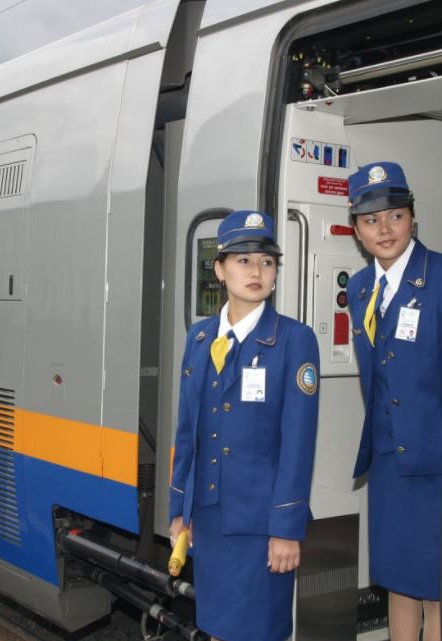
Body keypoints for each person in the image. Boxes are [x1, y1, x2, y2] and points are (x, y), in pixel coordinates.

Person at [169, 210, 320, 641]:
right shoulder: (200, 339)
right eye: (243, 260)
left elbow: (298, 443)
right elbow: (188, 433)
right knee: (216, 628)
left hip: (262, 527)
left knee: (259, 632)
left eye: (267, 262)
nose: (256, 271)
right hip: (210, 520)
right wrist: (179, 511)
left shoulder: (294, 340)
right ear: (219, 270)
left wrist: (286, 530)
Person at [346, 162, 442, 641]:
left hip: (435, 459)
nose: (384, 229)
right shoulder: (360, 287)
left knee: (436, 585)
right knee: (397, 579)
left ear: (413, 219)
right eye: (371, 220)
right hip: (387, 458)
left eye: (395, 216)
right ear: (356, 229)